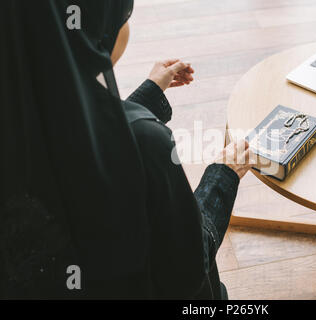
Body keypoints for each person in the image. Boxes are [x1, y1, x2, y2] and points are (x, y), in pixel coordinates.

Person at [0, 0, 251, 299]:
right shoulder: (148, 142)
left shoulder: (21, 121)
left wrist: (149, 92)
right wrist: (223, 175)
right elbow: (188, 265)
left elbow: (86, 146)